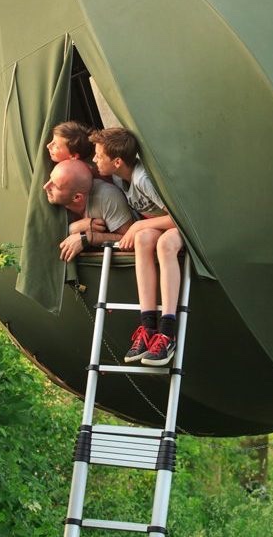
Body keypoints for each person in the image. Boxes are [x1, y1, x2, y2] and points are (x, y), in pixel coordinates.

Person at [89, 127, 183, 367]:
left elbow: (178, 219)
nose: (95, 159)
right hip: (158, 224)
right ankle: (148, 327)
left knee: (164, 244)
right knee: (142, 240)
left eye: (99, 155)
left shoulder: (143, 179)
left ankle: (167, 332)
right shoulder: (119, 177)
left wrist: (137, 226)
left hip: (180, 227)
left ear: (117, 162)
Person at [43, 159, 134, 262]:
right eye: (50, 178)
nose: (45, 186)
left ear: (77, 197)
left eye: (56, 186)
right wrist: (73, 228)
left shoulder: (107, 197)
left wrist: (88, 237)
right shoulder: (52, 200)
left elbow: (128, 238)